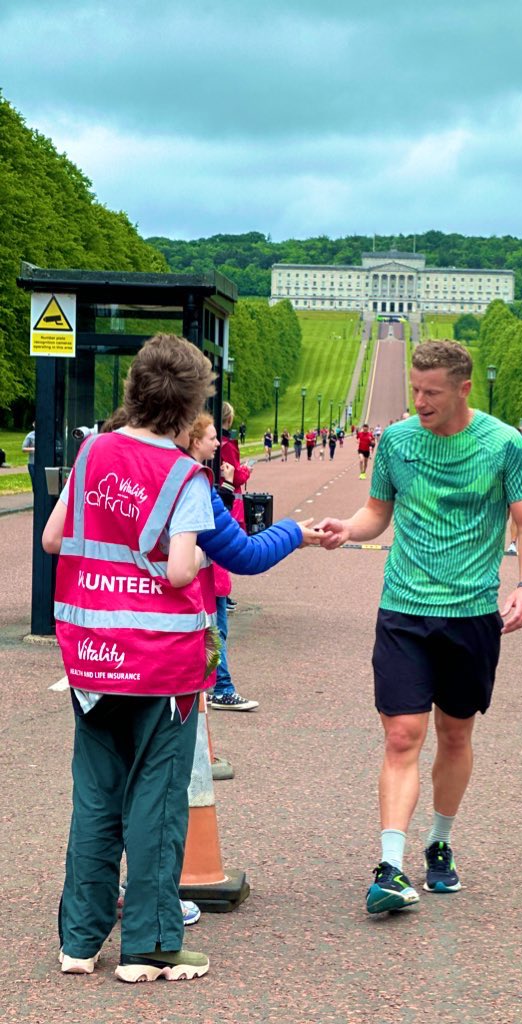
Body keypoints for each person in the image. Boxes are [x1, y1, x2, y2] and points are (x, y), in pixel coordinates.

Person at [316, 340, 522, 915]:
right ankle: (390, 866)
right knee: (401, 735)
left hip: (471, 615)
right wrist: (347, 526)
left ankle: (439, 842)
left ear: (464, 388)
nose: (419, 401)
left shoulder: (503, 445)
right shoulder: (396, 442)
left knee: (456, 734)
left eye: (431, 392)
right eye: (415, 389)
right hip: (404, 610)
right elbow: (377, 513)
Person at [42, 333, 217, 983]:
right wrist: (200, 555)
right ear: (190, 404)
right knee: (156, 801)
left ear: (134, 390)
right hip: (162, 664)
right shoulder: (184, 475)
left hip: (91, 655)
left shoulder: (92, 452)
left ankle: (80, 941)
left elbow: (56, 537)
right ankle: (149, 943)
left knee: (95, 799)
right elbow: (177, 571)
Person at [188, 414, 260, 711]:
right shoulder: (195, 478)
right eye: (212, 438)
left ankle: (216, 684)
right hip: (208, 571)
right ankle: (219, 685)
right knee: (214, 632)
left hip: (212, 569)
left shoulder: (199, 475)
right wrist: (231, 483)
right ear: (196, 441)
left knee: (216, 631)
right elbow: (217, 524)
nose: (218, 442)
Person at [220, 402, 251, 530]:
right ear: (229, 419)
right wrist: (246, 470)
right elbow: (236, 477)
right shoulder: (226, 445)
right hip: (231, 501)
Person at [22, 422, 35, 488]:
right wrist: (34, 449)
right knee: (35, 484)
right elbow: (23, 449)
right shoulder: (30, 436)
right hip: (32, 464)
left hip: (44, 463)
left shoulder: (46, 435)